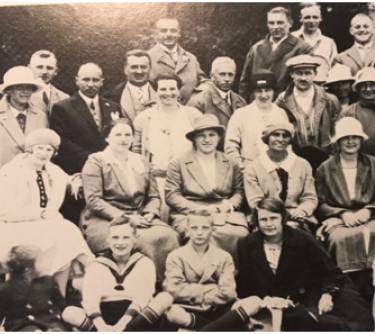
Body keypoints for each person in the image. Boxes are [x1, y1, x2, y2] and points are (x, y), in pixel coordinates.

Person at [237, 198, 374, 331]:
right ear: (257, 221)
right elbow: (247, 282)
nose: (268, 224)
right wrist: (265, 299)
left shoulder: (303, 239)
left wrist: (327, 295)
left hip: (313, 292)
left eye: (273, 218)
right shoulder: (247, 244)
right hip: (278, 302)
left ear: (282, 218)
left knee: (358, 321)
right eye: (263, 219)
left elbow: (331, 271)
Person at [0, 129, 94, 295]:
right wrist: (40, 214)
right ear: (30, 148)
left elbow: (67, 179)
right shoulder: (11, 171)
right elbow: (3, 212)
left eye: (49, 149)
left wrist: (76, 180)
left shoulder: (51, 170)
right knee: (65, 233)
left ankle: (60, 297)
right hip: (10, 228)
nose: (43, 154)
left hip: (42, 226)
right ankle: (95, 270)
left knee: (65, 237)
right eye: (39, 148)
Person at [0, 66, 48, 284]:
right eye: (19, 88)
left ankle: (27, 300)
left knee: (27, 244)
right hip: (0, 191)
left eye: (28, 87)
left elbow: (47, 147)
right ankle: (2, 295)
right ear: (8, 91)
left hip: (31, 190)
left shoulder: (40, 116)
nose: (24, 92)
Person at [80, 119, 180, 282]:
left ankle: (171, 284)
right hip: (103, 219)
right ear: (107, 138)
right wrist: (125, 218)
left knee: (170, 235)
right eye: (118, 134)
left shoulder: (141, 161)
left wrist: (149, 212)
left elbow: (154, 196)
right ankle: (147, 286)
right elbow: (94, 200)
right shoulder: (97, 162)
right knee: (142, 239)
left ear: (133, 138)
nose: (123, 139)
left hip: (139, 217)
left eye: (128, 135)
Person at [62, 217, 175, 332]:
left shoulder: (145, 263)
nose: (120, 243)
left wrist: (122, 325)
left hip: (135, 318)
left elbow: (143, 298)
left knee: (165, 298)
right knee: (69, 312)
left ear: (135, 238)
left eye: (126, 237)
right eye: (115, 237)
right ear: (108, 239)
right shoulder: (96, 265)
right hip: (105, 317)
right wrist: (101, 326)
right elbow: (91, 300)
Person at [315, 117, 375, 274]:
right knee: (338, 239)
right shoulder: (325, 168)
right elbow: (321, 203)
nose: (351, 141)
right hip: (340, 218)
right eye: (346, 138)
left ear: (361, 140)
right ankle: (348, 284)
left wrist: (369, 210)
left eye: (355, 137)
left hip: (372, 216)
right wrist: (342, 213)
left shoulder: (374, 164)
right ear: (338, 141)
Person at [161, 211, 263, 331]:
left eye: (205, 228)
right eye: (194, 228)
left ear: (213, 230)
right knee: (173, 314)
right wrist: (210, 289)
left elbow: (228, 292)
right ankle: (228, 325)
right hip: (190, 307)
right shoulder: (176, 256)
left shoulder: (224, 256)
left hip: (219, 306)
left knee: (255, 302)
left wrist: (195, 290)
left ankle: (201, 329)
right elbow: (174, 289)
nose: (199, 233)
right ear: (187, 230)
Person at [165, 115, 249, 259]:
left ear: (219, 138)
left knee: (238, 234)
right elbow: (172, 195)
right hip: (190, 212)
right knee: (199, 234)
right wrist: (198, 210)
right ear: (194, 140)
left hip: (224, 212)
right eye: (201, 136)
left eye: (212, 135)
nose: (207, 140)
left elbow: (239, 191)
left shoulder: (230, 162)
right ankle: (199, 276)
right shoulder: (179, 163)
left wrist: (228, 205)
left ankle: (231, 276)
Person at [50, 62, 123, 224]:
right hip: (77, 170)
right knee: (77, 217)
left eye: (95, 80)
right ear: (77, 81)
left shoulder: (112, 106)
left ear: (102, 81)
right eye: (86, 79)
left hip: (107, 171)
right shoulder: (63, 108)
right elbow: (62, 141)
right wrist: (93, 159)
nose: (91, 84)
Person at [133, 73, 203, 221]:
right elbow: (137, 154)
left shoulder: (193, 115)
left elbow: (202, 147)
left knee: (188, 221)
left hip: (188, 181)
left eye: (172, 88)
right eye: (163, 89)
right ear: (156, 91)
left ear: (178, 91)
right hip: (157, 182)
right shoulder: (144, 118)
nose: (168, 93)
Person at [244, 122, 318, 232]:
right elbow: (256, 202)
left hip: (299, 217)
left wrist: (302, 210)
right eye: (276, 135)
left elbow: (310, 197)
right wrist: (283, 216)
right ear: (267, 138)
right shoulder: (253, 168)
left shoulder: (303, 164)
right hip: (266, 218)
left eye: (285, 136)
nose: (281, 139)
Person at [0, 245, 71, 332]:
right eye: (41, 262)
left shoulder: (48, 281)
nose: (46, 262)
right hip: (21, 324)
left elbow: (61, 305)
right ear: (28, 270)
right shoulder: (7, 289)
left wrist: (70, 320)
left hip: (48, 321)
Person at [239, 6, 312, 101]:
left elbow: (304, 82)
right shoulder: (256, 48)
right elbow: (245, 82)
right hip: (258, 103)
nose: (275, 27)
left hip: (285, 104)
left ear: (290, 23)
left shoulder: (301, 48)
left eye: (280, 22)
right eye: (271, 23)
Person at [276, 55, 340, 152]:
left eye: (308, 73)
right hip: (294, 158)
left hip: (324, 158)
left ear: (315, 74)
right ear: (291, 74)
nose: (303, 78)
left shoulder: (330, 100)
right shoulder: (282, 100)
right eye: (299, 73)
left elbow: (337, 132)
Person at [225, 71, 289, 168]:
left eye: (267, 90)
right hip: (249, 170)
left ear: (273, 91)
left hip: (277, 171)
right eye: (259, 91)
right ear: (253, 93)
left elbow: (288, 144)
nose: (263, 95)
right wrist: (243, 169)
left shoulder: (281, 113)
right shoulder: (240, 114)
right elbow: (230, 147)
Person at [146, 18, 208, 105]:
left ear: (179, 33)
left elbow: (204, 82)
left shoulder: (191, 58)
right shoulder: (147, 58)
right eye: (164, 31)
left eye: (173, 30)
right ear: (157, 34)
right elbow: (142, 87)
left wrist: (197, 98)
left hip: (189, 111)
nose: (169, 34)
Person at [187, 57, 247, 130]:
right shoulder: (199, 101)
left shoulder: (241, 101)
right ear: (212, 75)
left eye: (230, 74)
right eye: (222, 74)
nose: (227, 79)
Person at [333, 13, 375, 83]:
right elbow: (337, 84)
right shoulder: (340, 58)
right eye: (357, 27)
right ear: (351, 31)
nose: (362, 30)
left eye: (366, 26)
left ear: (373, 30)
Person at [102, 49, 158, 123]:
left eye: (143, 67)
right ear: (125, 69)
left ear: (150, 68)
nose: (139, 71)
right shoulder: (110, 96)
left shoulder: (163, 91)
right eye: (134, 67)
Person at [291, 4, 338, 83]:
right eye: (307, 17)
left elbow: (334, 69)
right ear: (300, 19)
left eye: (315, 17)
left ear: (320, 18)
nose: (311, 21)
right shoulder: (292, 38)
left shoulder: (329, 42)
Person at [28, 50, 70, 116]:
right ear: (29, 68)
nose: (44, 72)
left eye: (49, 68)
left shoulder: (64, 98)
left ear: (56, 71)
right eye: (39, 67)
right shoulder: (21, 96)